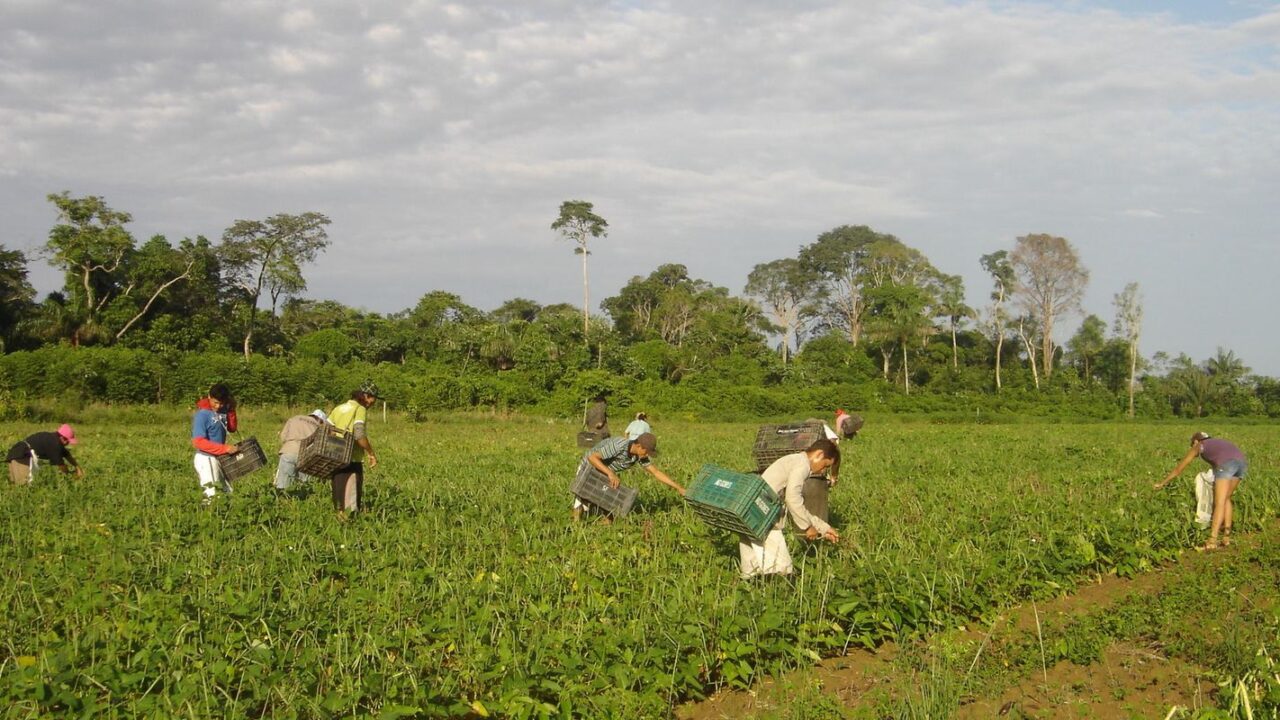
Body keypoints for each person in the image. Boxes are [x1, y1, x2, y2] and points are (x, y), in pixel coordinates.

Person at [741, 439, 841, 579]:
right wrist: (807, 527)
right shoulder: (803, 465)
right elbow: (793, 498)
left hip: (749, 511)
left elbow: (796, 504)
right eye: (825, 466)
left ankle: (751, 592)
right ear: (819, 454)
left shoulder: (794, 460)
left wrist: (823, 528)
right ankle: (777, 595)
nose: (823, 471)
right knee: (783, 571)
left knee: (751, 570)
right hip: (763, 515)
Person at [1154, 431, 1247, 550]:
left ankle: (1212, 540)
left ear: (1196, 441)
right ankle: (1226, 537)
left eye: (1192, 444)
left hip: (1227, 464)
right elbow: (1221, 461)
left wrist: (1162, 483)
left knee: (1219, 502)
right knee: (1227, 498)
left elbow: (1179, 469)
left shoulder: (1199, 445)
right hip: (1242, 463)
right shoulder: (1217, 443)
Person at [573, 432, 684, 521]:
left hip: (605, 472)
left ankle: (604, 524)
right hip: (588, 467)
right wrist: (610, 474)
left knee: (607, 500)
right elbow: (592, 458)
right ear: (639, 446)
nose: (647, 455)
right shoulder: (619, 445)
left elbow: (655, 472)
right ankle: (576, 525)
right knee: (583, 498)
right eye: (647, 452)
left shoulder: (638, 455)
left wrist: (678, 487)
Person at [799, 410, 864, 524]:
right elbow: (836, 453)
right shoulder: (826, 434)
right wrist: (834, 476)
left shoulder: (802, 434)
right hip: (814, 475)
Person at [327, 382, 380, 518]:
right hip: (351, 459)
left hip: (336, 457)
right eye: (373, 399)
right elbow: (359, 434)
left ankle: (339, 520)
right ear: (366, 396)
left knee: (339, 496)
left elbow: (327, 430)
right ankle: (349, 525)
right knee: (350, 499)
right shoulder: (359, 409)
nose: (373, 403)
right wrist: (371, 453)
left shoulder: (338, 408)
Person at [191, 383, 239, 504]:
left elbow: (232, 428)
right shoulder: (202, 415)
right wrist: (225, 448)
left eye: (221, 403)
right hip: (206, 457)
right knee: (211, 494)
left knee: (228, 491)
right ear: (209, 397)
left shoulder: (223, 410)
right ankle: (208, 517)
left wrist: (231, 410)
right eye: (215, 402)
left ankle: (225, 519)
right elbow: (198, 442)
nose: (218, 406)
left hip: (220, 457)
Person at [7, 424, 83, 485]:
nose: (68, 443)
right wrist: (71, 476)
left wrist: (77, 467)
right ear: (63, 438)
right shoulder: (55, 444)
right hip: (21, 456)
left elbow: (66, 454)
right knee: (23, 485)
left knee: (14, 485)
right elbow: (61, 465)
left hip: (15, 453)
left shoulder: (53, 438)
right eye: (68, 441)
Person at [275, 409, 327, 492]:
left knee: (283, 485)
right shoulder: (318, 427)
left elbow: (283, 436)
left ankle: (282, 500)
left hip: (289, 451)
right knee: (305, 486)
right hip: (307, 455)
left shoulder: (294, 418)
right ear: (321, 421)